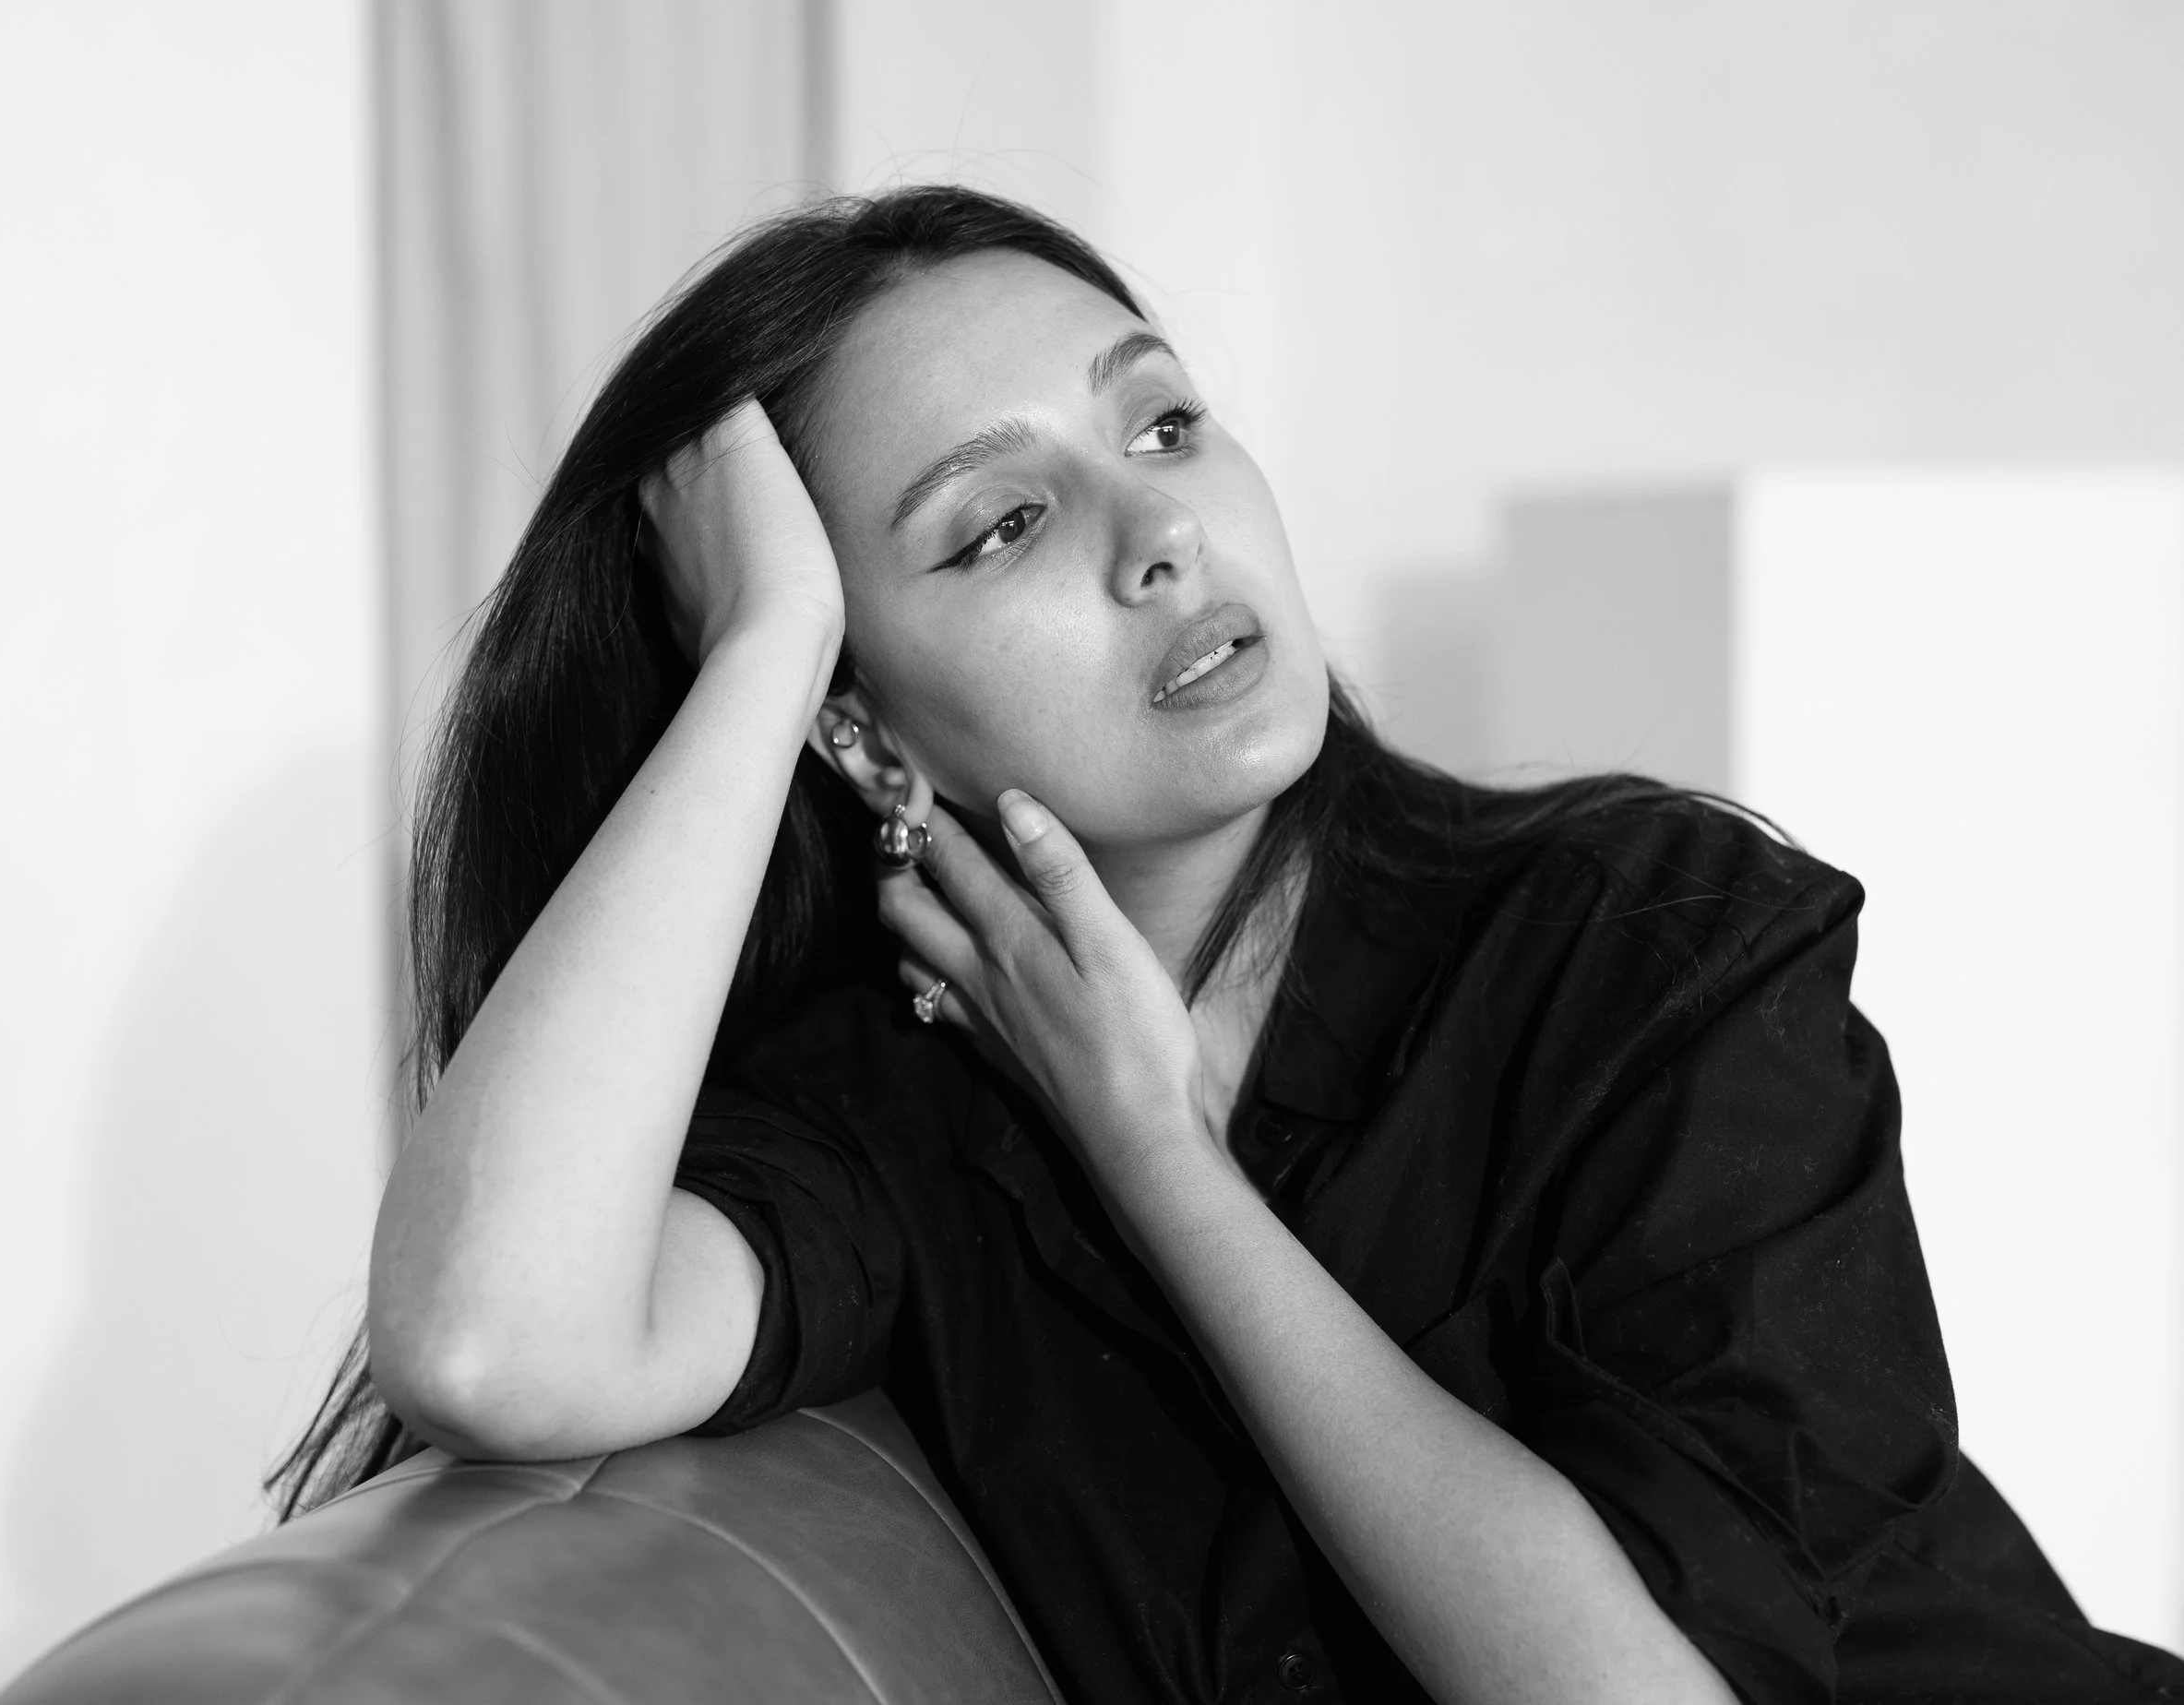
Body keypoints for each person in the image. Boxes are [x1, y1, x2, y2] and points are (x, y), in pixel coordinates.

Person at [272, 185, 2184, 1705]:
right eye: (1000, 526)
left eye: (1163, 422)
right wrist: (764, 647)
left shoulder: (1647, 944)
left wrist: (1160, 1165)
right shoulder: (900, 1106)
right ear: (856, 732)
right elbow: (485, 1341)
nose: (1158, 534)